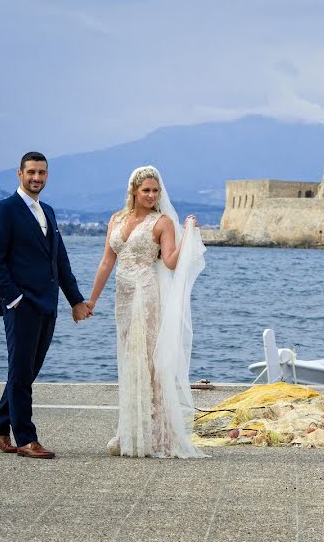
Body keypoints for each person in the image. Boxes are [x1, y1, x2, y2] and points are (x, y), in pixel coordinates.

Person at [88, 165, 206, 458]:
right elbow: (106, 262)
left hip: (146, 293)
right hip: (123, 296)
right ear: (134, 191)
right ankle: (131, 430)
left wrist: (188, 234)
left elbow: (169, 262)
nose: (152, 195)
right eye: (146, 191)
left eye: (155, 191)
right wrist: (91, 301)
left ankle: (157, 436)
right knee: (129, 360)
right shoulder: (116, 219)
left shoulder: (162, 222)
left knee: (149, 363)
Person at [0, 151, 92, 459]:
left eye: (42, 173)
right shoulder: (4, 210)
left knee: (27, 371)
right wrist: (13, 299)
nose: (37, 178)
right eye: (31, 172)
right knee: (20, 371)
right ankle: (27, 438)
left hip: (48, 304)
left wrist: (76, 300)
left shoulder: (49, 212)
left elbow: (60, 260)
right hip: (21, 306)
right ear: (19, 174)